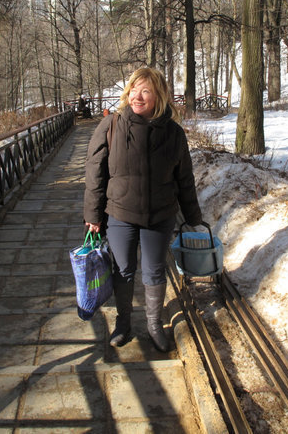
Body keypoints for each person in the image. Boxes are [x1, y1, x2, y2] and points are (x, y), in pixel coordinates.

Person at [84, 67, 202, 352]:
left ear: (158, 95)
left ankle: (153, 325)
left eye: (146, 91)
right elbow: (95, 172)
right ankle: (123, 323)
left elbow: (184, 178)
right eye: (134, 90)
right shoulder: (112, 125)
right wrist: (93, 215)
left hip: (159, 215)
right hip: (120, 214)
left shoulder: (173, 133)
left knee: (154, 271)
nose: (138, 96)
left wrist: (193, 217)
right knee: (123, 270)